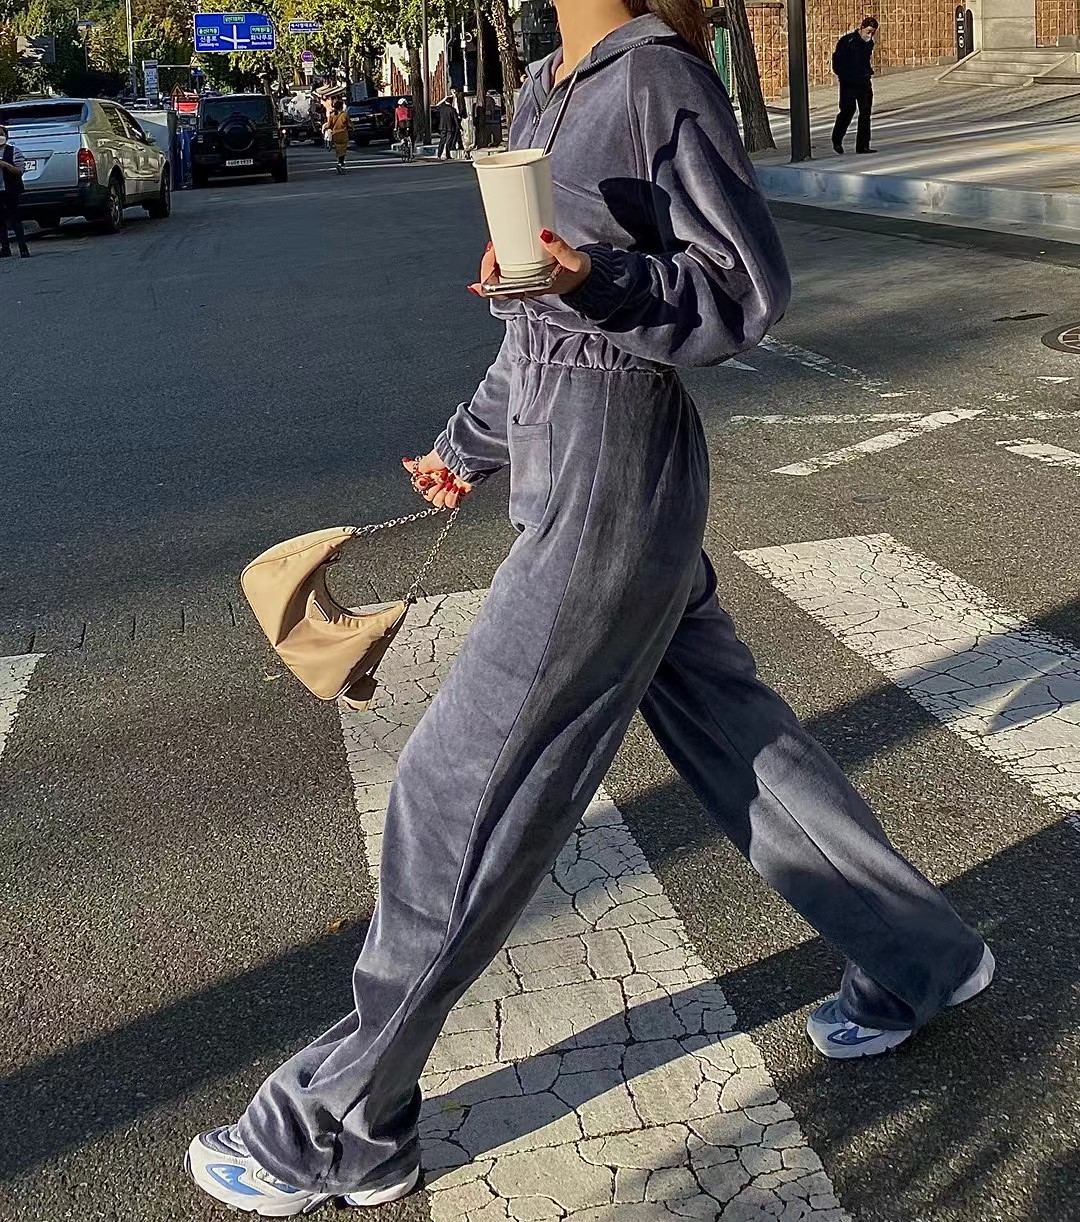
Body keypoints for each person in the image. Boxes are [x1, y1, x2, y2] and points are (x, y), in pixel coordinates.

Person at [186, 1, 993, 1214]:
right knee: (741, 745)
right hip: (576, 474)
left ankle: (339, 1123)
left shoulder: (656, 79)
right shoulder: (543, 85)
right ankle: (919, 956)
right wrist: (469, 444)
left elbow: (745, 289)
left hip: (614, 485)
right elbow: (534, 325)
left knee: (455, 788)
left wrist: (596, 276)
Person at [831, 16, 879, 155]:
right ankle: (837, 139)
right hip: (848, 82)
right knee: (847, 111)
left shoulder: (869, 43)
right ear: (862, 28)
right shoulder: (847, 41)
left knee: (865, 113)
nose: (870, 35)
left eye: (872, 32)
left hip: (863, 81)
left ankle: (863, 146)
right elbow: (837, 61)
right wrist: (844, 76)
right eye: (868, 31)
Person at [0, 125, 30, 259]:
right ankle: (5, 248)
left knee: (15, 219)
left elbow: (19, 171)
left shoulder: (13, 151)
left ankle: (23, 248)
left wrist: (5, 165)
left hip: (11, 190)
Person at [323, 98, 349, 173]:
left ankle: (340, 163)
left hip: (335, 134)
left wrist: (325, 128)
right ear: (341, 107)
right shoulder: (344, 115)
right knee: (343, 149)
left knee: (338, 149)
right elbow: (349, 124)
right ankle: (341, 163)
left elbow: (329, 125)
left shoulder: (331, 115)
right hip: (343, 133)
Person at [436, 94, 462, 160]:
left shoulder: (442, 108)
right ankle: (448, 155)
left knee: (442, 141)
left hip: (442, 127)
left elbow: (437, 105)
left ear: (445, 101)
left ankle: (439, 155)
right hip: (450, 127)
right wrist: (459, 127)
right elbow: (455, 119)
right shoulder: (452, 110)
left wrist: (444, 98)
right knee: (448, 141)